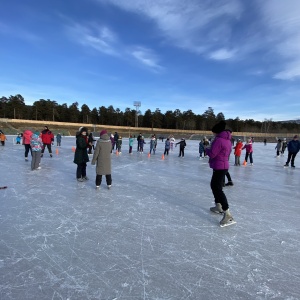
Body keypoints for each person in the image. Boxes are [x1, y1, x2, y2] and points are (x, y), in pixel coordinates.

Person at [206, 120, 235, 227]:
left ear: (217, 132)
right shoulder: (228, 140)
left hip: (219, 166)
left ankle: (227, 213)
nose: (213, 134)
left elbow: (212, 154)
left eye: (213, 132)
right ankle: (218, 206)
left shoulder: (218, 140)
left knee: (217, 188)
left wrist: (206, 149)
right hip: (223, 165)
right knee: (214, 186)